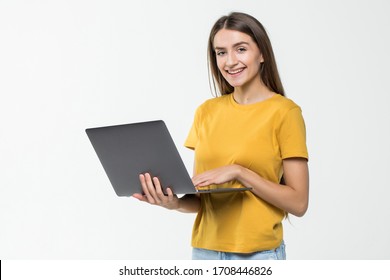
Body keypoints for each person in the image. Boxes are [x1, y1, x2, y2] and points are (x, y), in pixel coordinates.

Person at [133, 12, 309, 260]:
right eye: (221, 52)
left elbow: (299, 203)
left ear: (262, 54)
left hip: (258, 256)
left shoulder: (285, 112)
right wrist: (173, 203)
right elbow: (201, 198)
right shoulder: (207, 111)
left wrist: (239, 171)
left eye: (241, 49)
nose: (230, 61)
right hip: (204, 253)